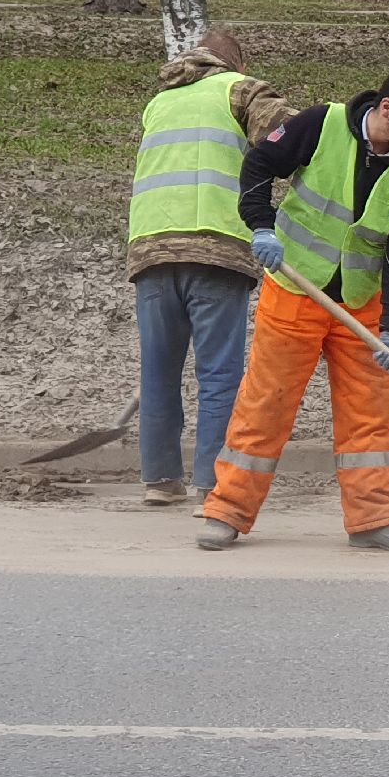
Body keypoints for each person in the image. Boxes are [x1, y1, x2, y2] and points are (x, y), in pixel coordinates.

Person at [196, 61, 389, 552]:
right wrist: (261, 225)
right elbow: (258, 166)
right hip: (296, 291)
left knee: (372, 415)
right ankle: (227, 512)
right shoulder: (320, 124)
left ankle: (372, 521)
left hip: (361, 305)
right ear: (387, 107)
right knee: (266, 405)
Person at [128, 30, 294, 507]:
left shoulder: (159, 103)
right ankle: (213, 482)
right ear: (234, 64)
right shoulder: (240, 90)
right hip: (216, 247)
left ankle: (160, 479)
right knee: (219, 376)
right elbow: (292, 136)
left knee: (159, 373)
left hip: (152, 248)